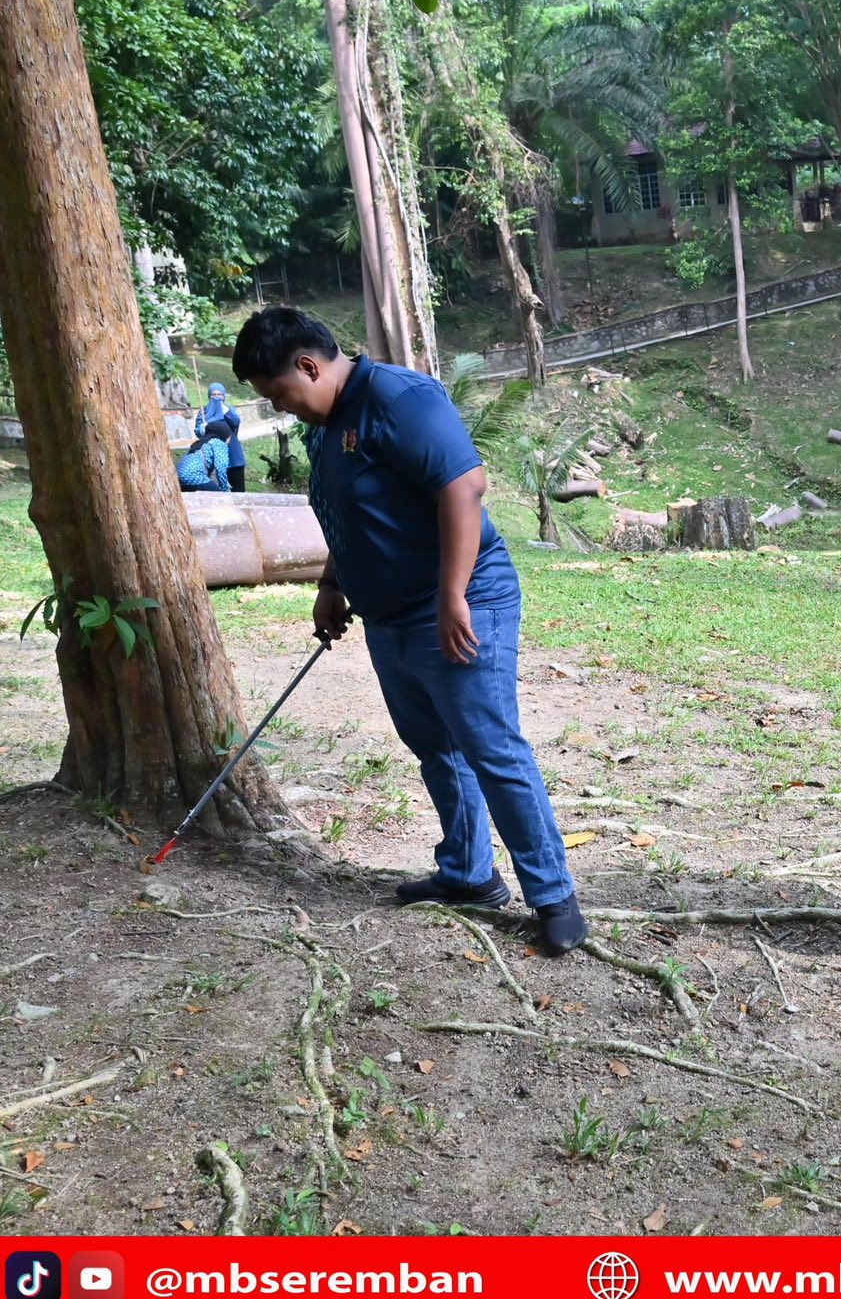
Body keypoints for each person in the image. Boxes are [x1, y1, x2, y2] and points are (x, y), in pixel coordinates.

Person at [231, 306, 588, 956]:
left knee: (489, 746)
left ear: (309, 366)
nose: (283, 408)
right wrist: (332, 584)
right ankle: (469, 875)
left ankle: (553, 893)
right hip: (389, 617)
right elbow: (344, 508)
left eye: (281, 393)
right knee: (436, 748)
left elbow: (464, 489)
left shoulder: (398, 398)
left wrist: (453, 595)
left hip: (460, 599)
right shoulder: (327, 425)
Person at [197, 382, 247, 493]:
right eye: (213, 394)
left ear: (224, 396)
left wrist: (224, 410)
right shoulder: (203, 412)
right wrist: (202, 428)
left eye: (220, 394)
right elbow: (198, 432)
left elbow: (235, 422)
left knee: (238, 491)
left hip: (233, 456)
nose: (217, 397)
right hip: (212, 457)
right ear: (209, 396)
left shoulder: (229, 410)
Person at [176, 417, 233, 493]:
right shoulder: (219, 443)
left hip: (178, 477)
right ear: (224, 434)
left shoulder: (203, 442)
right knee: (218, 498)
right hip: (194, 476)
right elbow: (221, 468)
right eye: (229, 435)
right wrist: (225, 490)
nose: (230, 438)